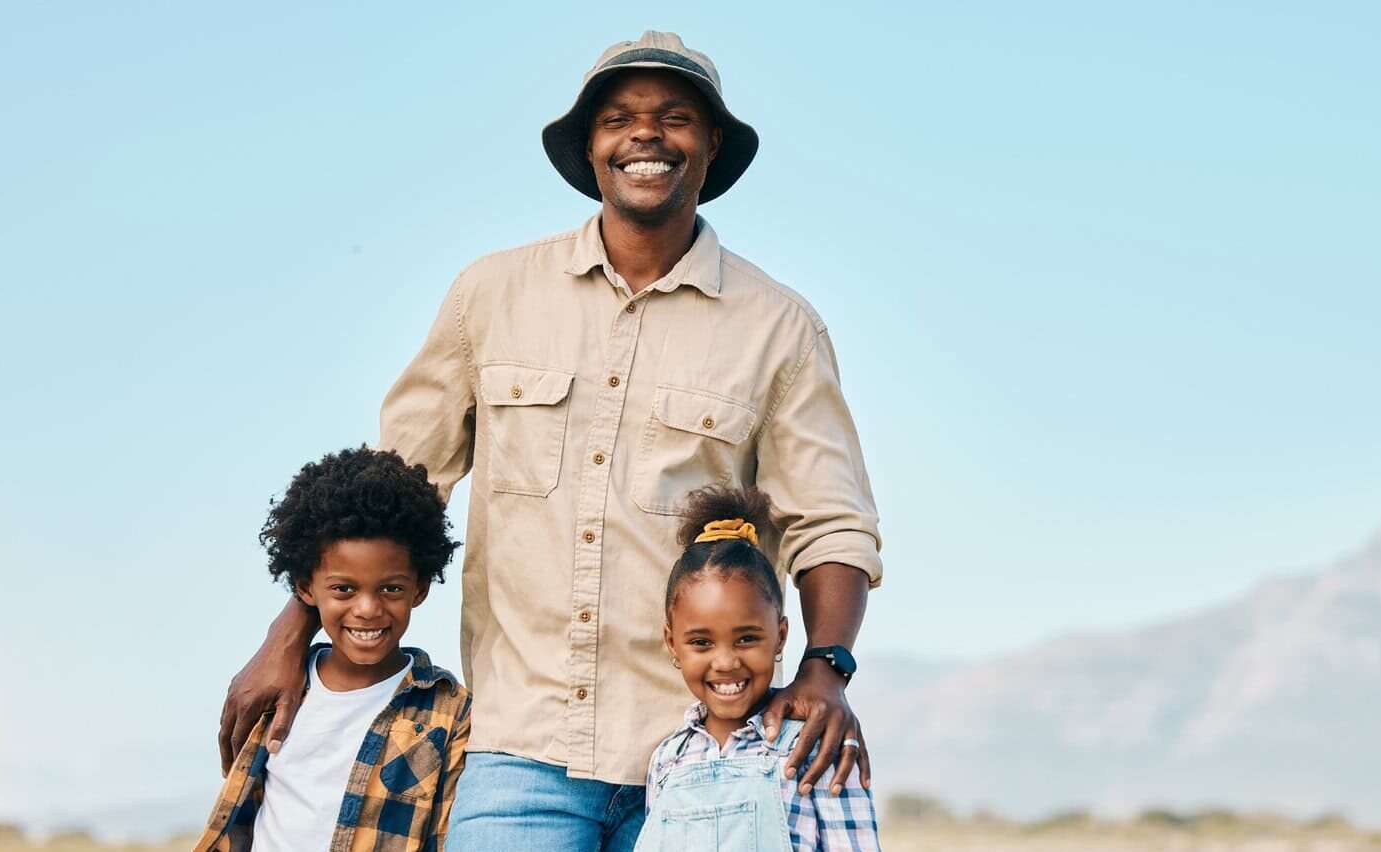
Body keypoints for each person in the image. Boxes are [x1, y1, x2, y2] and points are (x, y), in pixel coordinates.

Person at [220, 31, 884, 850]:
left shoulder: (780, 327)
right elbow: (392, 494)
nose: (645, 135)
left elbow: (831, 522)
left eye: (674, 117)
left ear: (710, 145)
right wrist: (290, 632)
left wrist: (825, 670)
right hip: (519, 748)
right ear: (591, 146)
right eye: (618, 118)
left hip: (707, 755)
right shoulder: (490, 294)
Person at [198, 447, 470, 851]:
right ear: (306, 587)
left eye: (390, 588)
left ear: (420, 589)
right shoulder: (280, 693)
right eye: (343, 589)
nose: (367, 609)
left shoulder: (450, 713)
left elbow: (445, 835)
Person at [637, 486, 881, 851]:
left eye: (746, 639)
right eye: (702, 642)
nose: (726, 662)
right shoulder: (668, 759)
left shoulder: (813, 742)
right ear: (672, 643)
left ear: (780, 636)